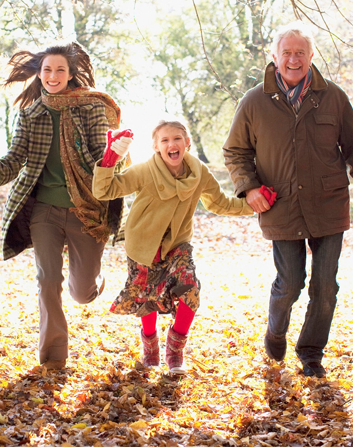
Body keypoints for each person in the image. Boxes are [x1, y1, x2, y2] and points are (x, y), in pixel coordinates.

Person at [222, 21, 353, 378]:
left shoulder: (333, 97)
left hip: (328, 204)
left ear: (311, 56)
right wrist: (249, 188)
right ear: (274, 57)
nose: (294, 59)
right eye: (287, 53)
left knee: (325, 286)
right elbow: (235, 151)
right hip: (280, 205)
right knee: (290, 284)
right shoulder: (254, 101)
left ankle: (311, 351)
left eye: (301, 53)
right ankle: (275, 330)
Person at [0, 41, 125, 370]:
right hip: (43, 211)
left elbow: (101, 158)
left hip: (86, 208)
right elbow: (15, 157)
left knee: (81, 292)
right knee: (47, 281)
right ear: (39, 74)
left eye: (60, 70)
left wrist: (114, 156)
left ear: (70, 75)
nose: (53, 76)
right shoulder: (31, 113)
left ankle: (90, 284)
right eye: (47, 70)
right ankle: (53, 359)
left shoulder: (91, 108)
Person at [92, 120, 254, 374]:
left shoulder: (198, 172)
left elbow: (219, 202)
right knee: (147, 298)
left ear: (187, 142)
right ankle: (151, 347)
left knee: (190, 287)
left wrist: (254, 205)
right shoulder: (145, 171)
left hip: (177, 245)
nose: (172, 144)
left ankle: (175, 349)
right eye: (165, 140)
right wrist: (110, 158)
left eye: (177, 138)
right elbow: (104, 190)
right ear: (156, 147)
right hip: (143, 245)